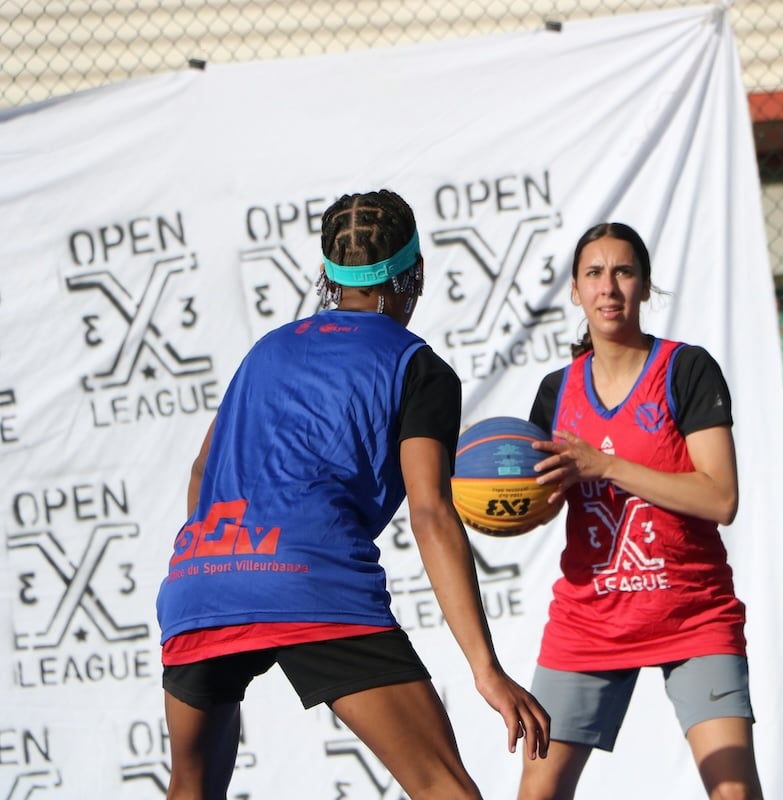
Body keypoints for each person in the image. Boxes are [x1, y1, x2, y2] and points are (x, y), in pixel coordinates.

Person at [156, 189, 550, 800]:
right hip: (309, 579)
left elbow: (202, 468)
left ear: (328, 276)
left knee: (192, 788)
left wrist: (224, 564)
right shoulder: (418, 367)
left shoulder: (266, 350)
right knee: (443, 787)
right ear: (414, 274)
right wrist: (486, 668)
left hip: (199, 579)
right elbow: (429, 512)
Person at [517, 222, 763, 800]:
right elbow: (543, 505)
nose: (608, 287)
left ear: (645, 286)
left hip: (692, 613)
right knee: (537, 792)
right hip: (591, 618)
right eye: (593, 274)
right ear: (575, 290)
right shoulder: (556, 392)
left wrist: (607, 466)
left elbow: (721, 498)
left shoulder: (686, 369)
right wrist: (508, 504)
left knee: (733, 791)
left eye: (623, 272)